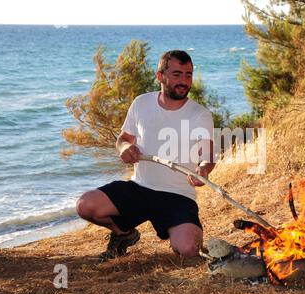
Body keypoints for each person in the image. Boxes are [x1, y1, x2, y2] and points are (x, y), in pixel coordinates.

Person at [76, 50, 215, 262]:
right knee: (85, 205)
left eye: (188, 75)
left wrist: (203, 170)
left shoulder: (200, 114)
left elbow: (208, 156)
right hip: (139, 188)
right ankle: (124, 235)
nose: (184, 81)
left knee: (189, 250)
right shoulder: (141, 103)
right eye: (177, 74)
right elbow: (123, 138)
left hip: (178, 196)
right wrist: (123, 148)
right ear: (160, 76)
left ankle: (181, 233)